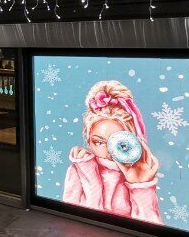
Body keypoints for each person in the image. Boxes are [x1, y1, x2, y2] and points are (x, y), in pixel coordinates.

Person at [63, 80, 163, 225]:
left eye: (119, 143)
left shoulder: (136, 174)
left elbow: (153, 228)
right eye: (99, 142)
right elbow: (72, 218)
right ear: (88, 140)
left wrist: (141, 186)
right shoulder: (78, 171)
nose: (109, 151)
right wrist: (90, 175)